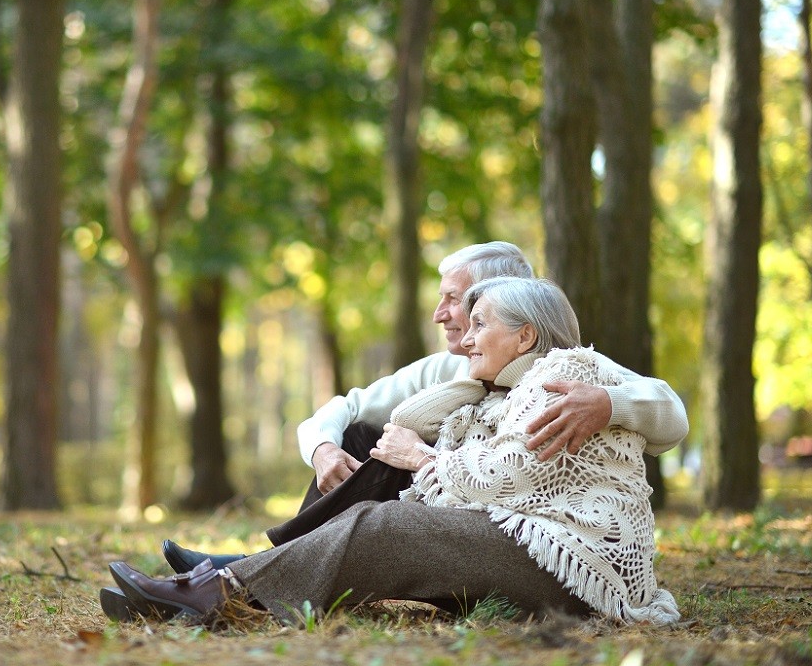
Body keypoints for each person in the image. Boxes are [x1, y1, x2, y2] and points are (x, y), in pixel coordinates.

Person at [102, 277, 681, 626]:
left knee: (380, 525)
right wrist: (443, 419)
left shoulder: (562, 372)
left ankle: (214, 592)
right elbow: (381, 426)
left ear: (526, 336)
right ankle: (225, 586)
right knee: (380, 511)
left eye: (478, 322)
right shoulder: (489, 389)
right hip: (532, 550)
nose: (464, 336)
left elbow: (506, 474)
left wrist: (424, 460)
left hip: (577, 565)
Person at [158, 241, 688, 572]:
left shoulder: (567, 370)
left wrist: (608, 403)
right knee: (361, 434)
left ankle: (253, 573)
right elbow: (346, 407)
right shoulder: (444, 373)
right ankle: (265, 568)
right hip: (466, 502)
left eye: (458, 301)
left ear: (508, 311)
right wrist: (322, 449)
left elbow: (670, 412)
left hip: (512, 518)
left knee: (380, 509)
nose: (442, 315)